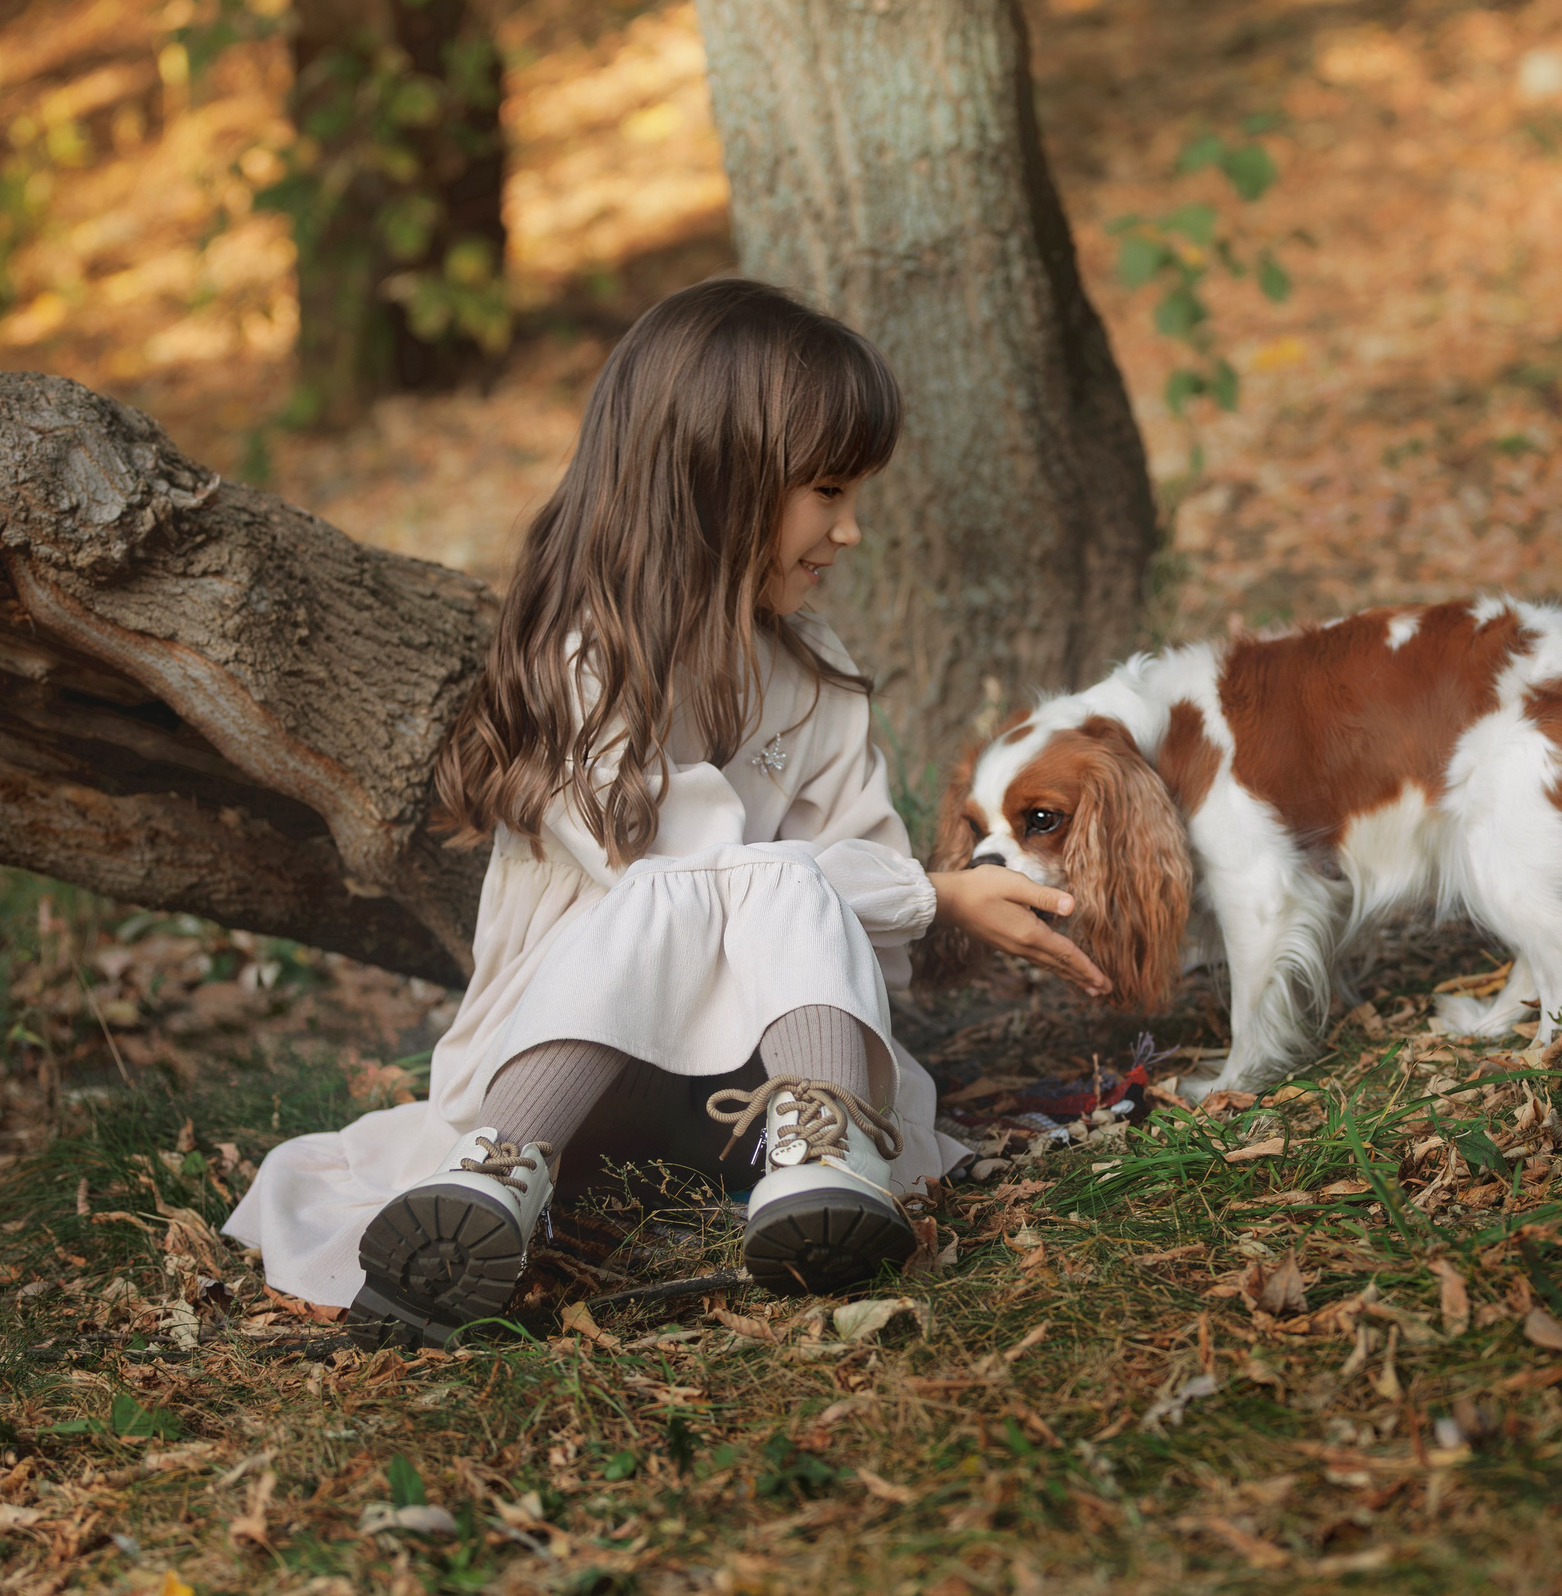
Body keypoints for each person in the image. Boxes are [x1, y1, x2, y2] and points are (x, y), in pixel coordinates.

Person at [222, 278, 1109, 1349]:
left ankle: (819, 1158)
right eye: (827, 491)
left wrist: (909, 904)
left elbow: (868, 940)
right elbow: (695, 876)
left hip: (756, 1102)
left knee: (782, 879)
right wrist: (937, 895)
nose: (852, 529)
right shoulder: (588, 663)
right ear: (716, 479)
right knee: (738, 875)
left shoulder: (817, 672)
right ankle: (499, 1175)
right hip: (583, 1091)